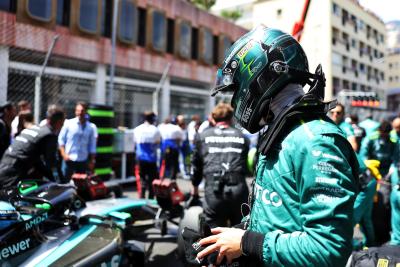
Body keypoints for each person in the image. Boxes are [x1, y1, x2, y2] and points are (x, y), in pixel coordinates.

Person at [193, 26, 359, 266]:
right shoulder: (283, 131)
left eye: (237, 87)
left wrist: (247, 243)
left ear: (260, 77)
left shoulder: (314, 140)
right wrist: (223, 238)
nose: (235, 97)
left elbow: (328, 247)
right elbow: (281, 216)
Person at [190, 103, 250, 228]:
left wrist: (195, 191)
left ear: (213, 118)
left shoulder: (202, 136)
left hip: (214, 191)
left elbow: (196, 166)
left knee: (213, 236)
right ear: (232, 118)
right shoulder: (242, 136)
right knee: (239, 235)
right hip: (238, 189)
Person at [0, 106, 65, 192]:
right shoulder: (49, 135)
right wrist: (62, 185)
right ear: (59, 122)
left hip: (3, 166)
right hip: (13, 174)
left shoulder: (34, 128)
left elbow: (37, 161)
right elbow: (52, 164)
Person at [359, 120, 398, 245]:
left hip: (386, 174)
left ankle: (383, 233)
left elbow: (396, 160)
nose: (383, 138)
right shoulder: (370, 139)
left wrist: (388, 175)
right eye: (382, 135)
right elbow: (363, 157)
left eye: (386, 135)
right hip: (371, 171)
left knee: (385, 200)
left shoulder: (394, 141)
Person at [58, 102, 97, 183]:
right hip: (69, 159)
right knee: (64, 182)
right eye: (78, 110)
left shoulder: (91, 127)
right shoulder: (68, 123)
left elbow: (92, 145)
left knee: (81, 184)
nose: (79, 113)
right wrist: (64, 154)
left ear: (86, 111)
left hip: (83, 160)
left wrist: (92, 160)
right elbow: (61, 140)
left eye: (82, 110)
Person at [133, 111, 161, 199]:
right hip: (151, 159)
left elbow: (134, 142)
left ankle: (141, 196)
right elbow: (158, 142)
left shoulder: (137, 129)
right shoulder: (155, 130)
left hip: (140, 158)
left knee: (141, 178)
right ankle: (151, 198)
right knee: (152, 179)